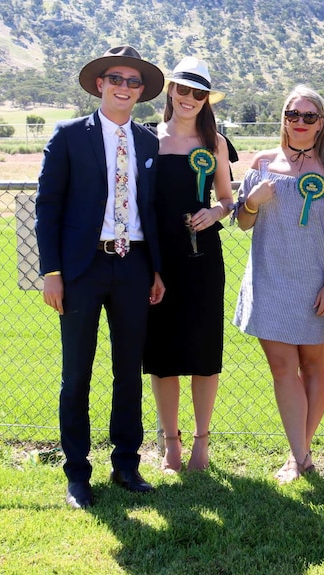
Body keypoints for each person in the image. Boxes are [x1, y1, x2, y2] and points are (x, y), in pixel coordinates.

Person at [35, 46, 166, 509]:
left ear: (141, 92)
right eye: (116, 79)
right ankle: (77, 474)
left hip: (133, 267)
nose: (124, 88)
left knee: (128, 371)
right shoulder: (69, 136)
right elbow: (47, 207)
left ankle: (126, 465)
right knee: (77, 375)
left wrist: (155, 269)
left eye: (133, 82)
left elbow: (151, 210)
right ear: (99, 84)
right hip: (80, 270)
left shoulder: (149, 143)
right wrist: (52, 273)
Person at [233, 85, 324, 484]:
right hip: (269, 279)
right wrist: (252, 201)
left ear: (321, 124)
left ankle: (299, 450)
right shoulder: (262, 162)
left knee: (313, 364)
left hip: (315, 281)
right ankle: (299, 456)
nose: (299, 123)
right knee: (282, 367)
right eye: (293, 115)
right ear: (283, 119)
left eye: (309, 116)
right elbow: (243, 222)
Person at [143, 57, 234, 473]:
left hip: (202, 261)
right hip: (158, 261)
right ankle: (170, 444)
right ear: (170, 91)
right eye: (184, 89)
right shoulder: (147, 140)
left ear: (206, 100)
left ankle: (201, 442)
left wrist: (214, 214)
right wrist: (152, 265)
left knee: (202, 351)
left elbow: (228, 200)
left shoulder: (214, 142)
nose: (190, 99)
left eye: (199, 93)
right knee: (161, 354)